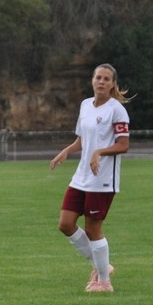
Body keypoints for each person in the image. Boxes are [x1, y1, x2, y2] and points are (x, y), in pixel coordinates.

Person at [50, 63, 132, 292]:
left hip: (102, 179)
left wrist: (99, 152)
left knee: (93, 230)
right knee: (65, 224)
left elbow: (123, 145)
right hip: (82, 176)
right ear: (92, 80)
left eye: (107, 79)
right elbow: (81, 140)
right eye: (98, 77)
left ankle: (104, 281)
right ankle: (101, 265)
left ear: (113, 84)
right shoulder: (86, 105)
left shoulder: (116, 110)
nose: (102, 82)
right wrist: (66, 151)